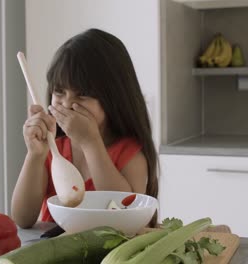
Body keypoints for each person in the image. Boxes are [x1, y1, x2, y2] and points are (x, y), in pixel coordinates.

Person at [11, 28, 158, 229]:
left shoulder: (130, 154)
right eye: (59, 91)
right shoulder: (53, 150)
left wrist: (91, 142)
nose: (67, 103)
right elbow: (23, 219)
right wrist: (35, 155)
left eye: (83, 94)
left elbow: (125, 215)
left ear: (113, 98)